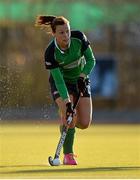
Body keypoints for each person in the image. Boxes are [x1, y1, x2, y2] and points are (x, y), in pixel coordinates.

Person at [35, 15, 96, 165]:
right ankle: (68, 154)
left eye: (67, 31)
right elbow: (58, 80)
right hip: (61, 83)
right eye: (61, 32)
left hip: (80, 80)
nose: (66, 35)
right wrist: (67, 103)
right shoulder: (50, 52)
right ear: (54, 34)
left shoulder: (79, 38)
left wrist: (82, 76)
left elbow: (91, 60)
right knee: (70, 115)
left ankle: (65, 123)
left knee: (84, 122)